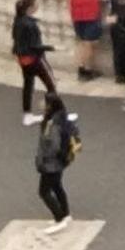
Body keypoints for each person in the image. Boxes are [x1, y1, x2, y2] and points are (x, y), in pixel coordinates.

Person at [35, 89, 78, 229]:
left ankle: (59, 217)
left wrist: (43, 159)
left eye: (45, 102)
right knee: (57, 187)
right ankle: (66, 214)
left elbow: (53, 145)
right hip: (59, 162)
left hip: (51, 163)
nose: (41, 104)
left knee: (44, 191)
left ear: (50, 106)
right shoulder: (60, 119)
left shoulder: (52, 124)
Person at [12, 0, 56, 124]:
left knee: (28, 85)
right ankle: (53, 112)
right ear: (31, 8)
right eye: (36, 4)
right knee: (51, 84)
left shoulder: (18, 21)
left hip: (23, 59)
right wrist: (52, 47)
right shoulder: (30, 25)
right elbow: (34, 46)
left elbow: (16, 40)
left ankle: (27, 114)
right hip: (35, 59)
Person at [69, 0, 106, 80]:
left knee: (82, 41)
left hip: (75, 10)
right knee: (89, 43)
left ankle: (84, 67)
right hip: (90, 10)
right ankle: (85, 70)